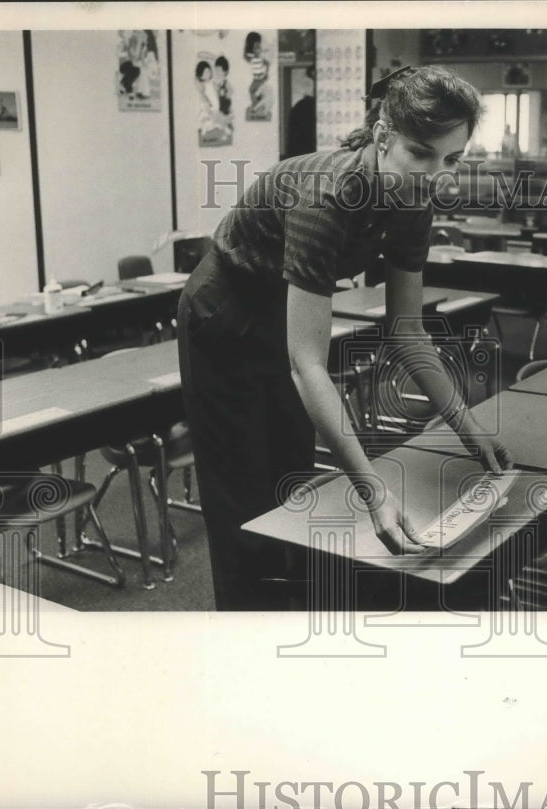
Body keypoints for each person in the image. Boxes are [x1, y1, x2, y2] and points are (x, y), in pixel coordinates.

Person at [178, 65, 513, 611]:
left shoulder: (414, 201)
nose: (435, 175)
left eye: (450, 159)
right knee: (241, 496)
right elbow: (306, 362)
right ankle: (244, 638)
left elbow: (408, 331)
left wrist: (469, 428)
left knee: (293, 479)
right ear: (383, 137)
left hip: (278, 308)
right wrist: (373, 491)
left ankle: (290, 615)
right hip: (224, 314)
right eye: (421, 153)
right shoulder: (326, 197)